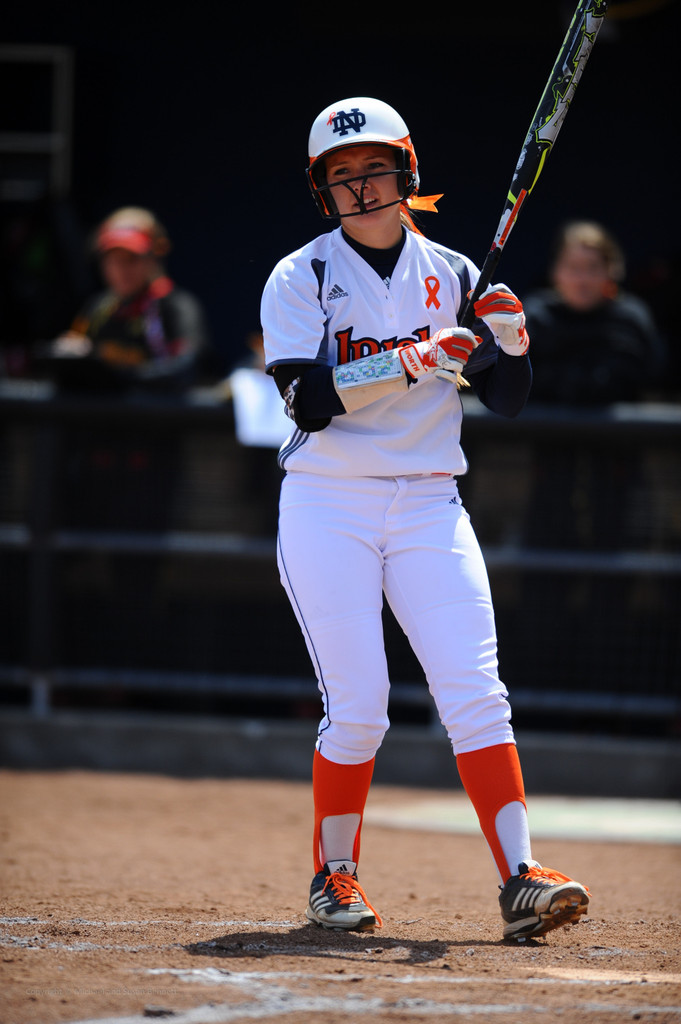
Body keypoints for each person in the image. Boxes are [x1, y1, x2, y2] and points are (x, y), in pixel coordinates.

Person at [260, 97, 590, 942]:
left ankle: (520, 875)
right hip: (328, 502)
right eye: (341, 177)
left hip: (428, 501)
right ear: (320, 192)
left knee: (476, 692)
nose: (361, 188)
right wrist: (407, 361)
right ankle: (334, 877)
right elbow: (306, 399)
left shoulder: (454, 272)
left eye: (373, 169)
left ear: (406, 173)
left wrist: (509, 344)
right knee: (360, 703)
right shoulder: (301, 275)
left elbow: (508, 401)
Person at [43, 206, 211, 394]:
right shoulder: (98, 308)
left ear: (153, 258)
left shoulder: (176, 307)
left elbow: (186, 368)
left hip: (156, 416)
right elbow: (74, 353)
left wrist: (120, 375)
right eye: (112, 259)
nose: (121, 270)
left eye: (131, 259)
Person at [523, 220, 666, 405]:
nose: (583, 280)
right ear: (555, 272)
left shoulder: (631, 320)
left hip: (619, 432)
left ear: (611, 270)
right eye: (573, 268)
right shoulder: (534, 318)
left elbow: (653, 382)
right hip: (543, 429)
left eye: (592, 267)